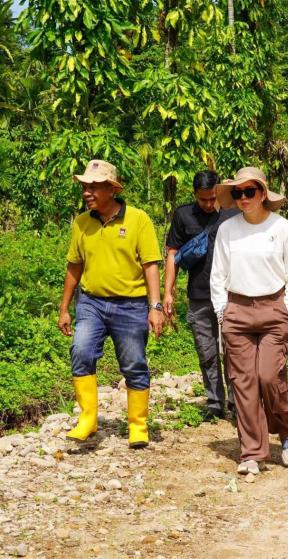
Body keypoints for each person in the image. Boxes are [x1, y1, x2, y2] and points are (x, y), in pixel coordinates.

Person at [58, 160, 164, 449]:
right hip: (91, 303)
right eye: (85, 187)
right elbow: (74, 266)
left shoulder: (138, 219)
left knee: (133, 363)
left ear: (111, 189)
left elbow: (151, 265)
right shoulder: (82, 222)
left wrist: (155, 307)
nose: (87, 192)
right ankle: (88, 419)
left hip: (130, 305)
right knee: (80, 351)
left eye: (93, 187)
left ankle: (138, 425)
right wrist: (64, 307)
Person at [211, 166, 288, 475]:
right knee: (243, 383)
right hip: (237, 310)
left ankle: (287, 433)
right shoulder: (227, 229)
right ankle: (252, 451)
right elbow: (217, 275)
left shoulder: (282, 228)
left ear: (263, 193)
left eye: (249, 192)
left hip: (273, 308)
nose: (243, 198)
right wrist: (223, 313)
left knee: (269, 376)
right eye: (237, 193)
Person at [164, 170, 238, 421]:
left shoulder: (233, 212)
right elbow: (172, 253)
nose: (208, 204)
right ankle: (214, 401)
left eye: (212, 198)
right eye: (202, 199)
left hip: (231, 295)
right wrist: (168, 292)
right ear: (194, 195)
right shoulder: (184, 215)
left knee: (232, 351)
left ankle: (237, 402)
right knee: (206, 351)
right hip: (199, 295)